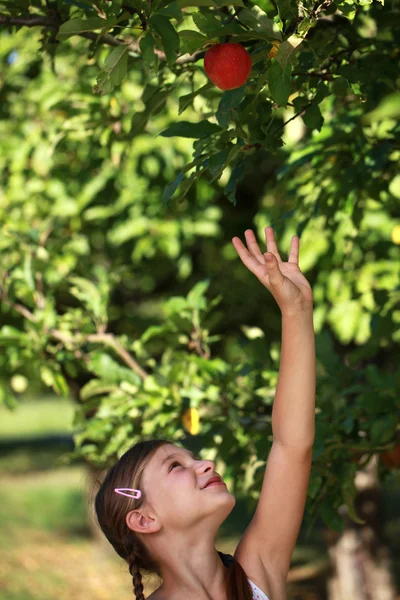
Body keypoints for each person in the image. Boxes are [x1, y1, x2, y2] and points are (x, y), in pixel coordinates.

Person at [94, 227, 315, 600]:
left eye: (191, 458)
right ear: (144, 519)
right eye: (176, 466)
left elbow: (292, 444)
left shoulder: (256, 576)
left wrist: (296, 310)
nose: (207, 463)